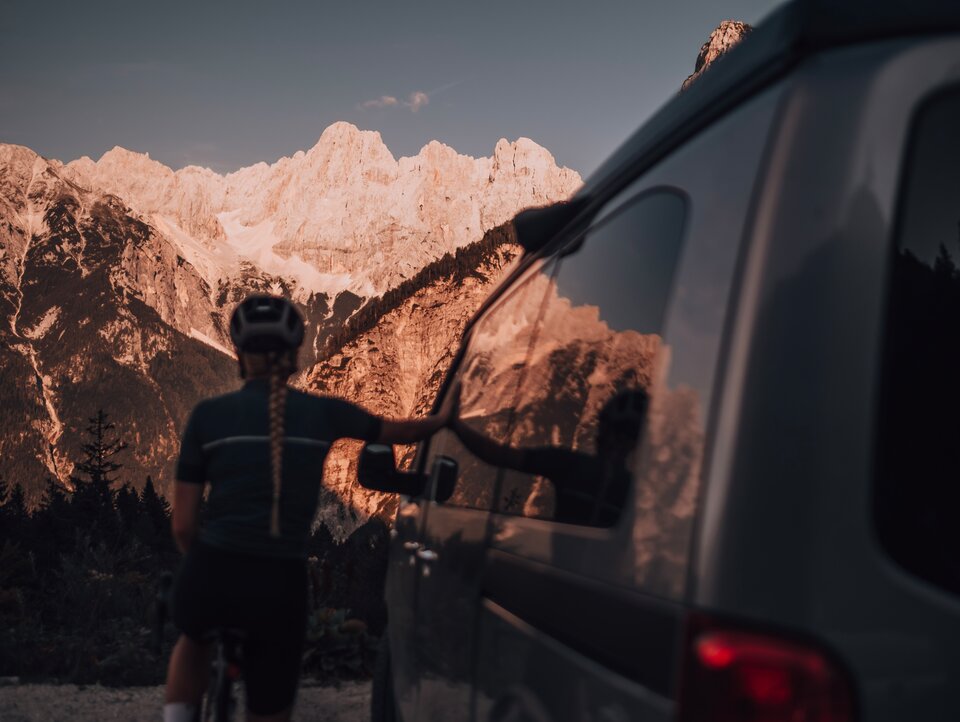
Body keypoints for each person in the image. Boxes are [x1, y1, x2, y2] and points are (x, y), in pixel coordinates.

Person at [164, 294, 454, 722]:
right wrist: (446, 418)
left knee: (193, 639)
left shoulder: (208, 416)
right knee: (271, 699)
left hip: (214, 569)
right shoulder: (322, 412)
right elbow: (399, 431)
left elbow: (184, 525)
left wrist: (205, 565)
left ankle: (179, 716)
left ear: (239, 353)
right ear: (295, 353)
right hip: (279, 580)